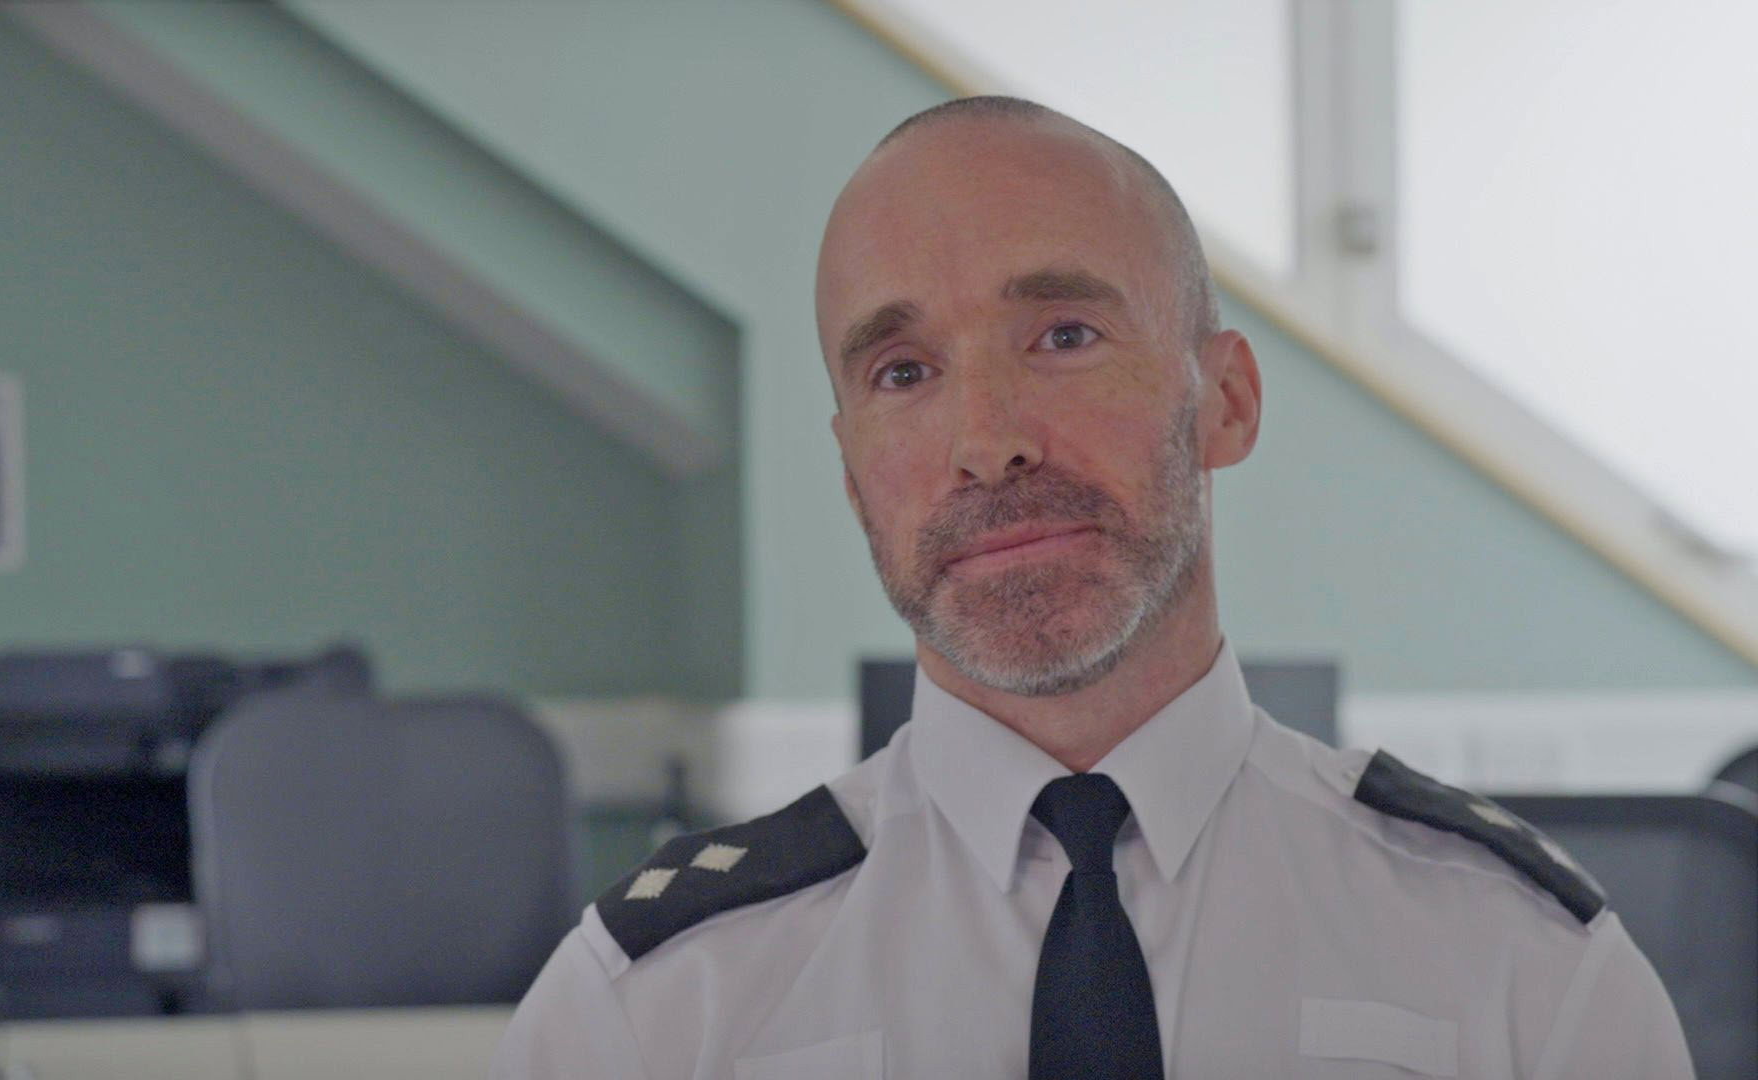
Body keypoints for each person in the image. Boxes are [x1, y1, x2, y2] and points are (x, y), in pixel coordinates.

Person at [491, 97, 1693, 1079]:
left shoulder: (1519, 965)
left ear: (1226, 402)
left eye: (1063, 336)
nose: (987, 442)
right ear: (854, 478)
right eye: (903, 372)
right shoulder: (653, 1010)